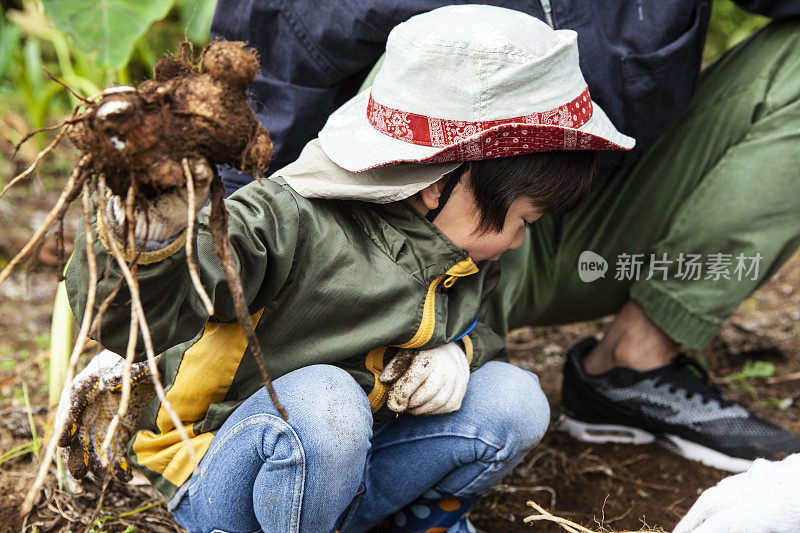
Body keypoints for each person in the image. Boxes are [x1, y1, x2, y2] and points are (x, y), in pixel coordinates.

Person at [60, 7, 634, 532]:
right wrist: (150, 232)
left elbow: (483, 326)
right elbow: (149, 305)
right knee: (325, 400)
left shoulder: (471, 245)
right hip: (228, 469)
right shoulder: (286, 221)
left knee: (514, 399)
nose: (518, 240)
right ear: (440, 182)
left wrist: (459, 354)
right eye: (524, 220)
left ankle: (412, 522)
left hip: (356, 469)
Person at [210, 0, 800, 471]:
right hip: (395, 241)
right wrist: (213, 272)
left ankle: (632, 363)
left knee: (503, 401)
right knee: (430, 67)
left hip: (588, 217)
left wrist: (465, 349)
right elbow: (255, 128)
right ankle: (390, 343)